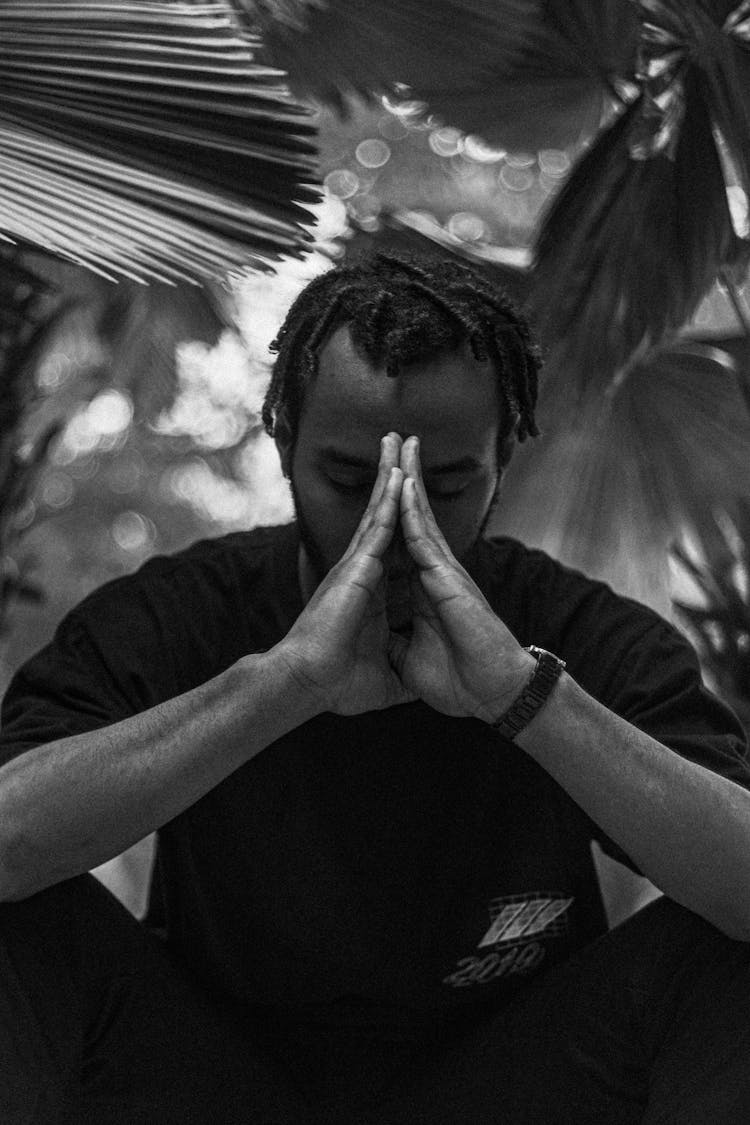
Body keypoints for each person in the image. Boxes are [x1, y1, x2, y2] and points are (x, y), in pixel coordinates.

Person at [1, 252, 750, 1125]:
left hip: (511, 1082)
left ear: (505, 454)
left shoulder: (578, 628)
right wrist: (280, 686)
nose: (394, 526)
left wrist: (524, 696)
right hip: (219, 1081)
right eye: (351, 481)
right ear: (282, 442)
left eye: (447, 485)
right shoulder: (180, 613)